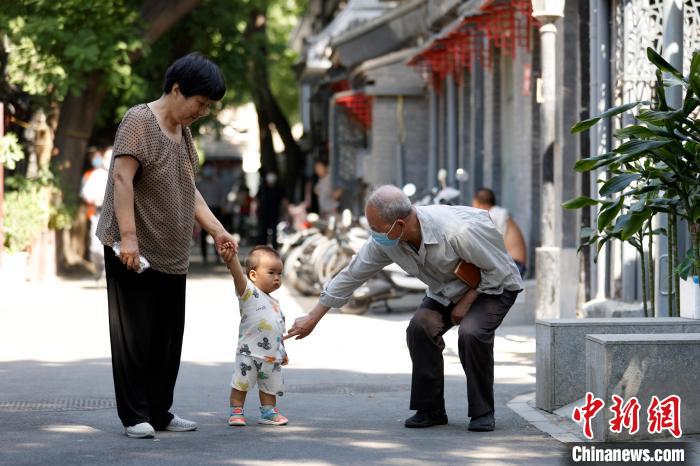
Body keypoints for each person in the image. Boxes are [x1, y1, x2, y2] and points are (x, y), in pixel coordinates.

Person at [285, 185, 523, 432]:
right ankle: (430, 410)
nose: (373, 234)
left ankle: (483, 413)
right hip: (448, 288)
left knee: (472, 333)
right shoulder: (386, 240)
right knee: (420, 328)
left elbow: (495, 271)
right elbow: (351, 275)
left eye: (376, 228)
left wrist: (466, 302)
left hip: (494, 285)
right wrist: (313, 317)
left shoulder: (456, 230)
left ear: (399, 225)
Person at [96, 53, 237, 439]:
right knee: (134, 335)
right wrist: (128, 238)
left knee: (167, 335)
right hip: (135, 249)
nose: (203, 111)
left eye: (208, 105)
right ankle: (135, 415)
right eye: (201, 102)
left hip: (173, 250)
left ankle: (160, 411)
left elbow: (187, 188)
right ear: (177, 90)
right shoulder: (139, 121)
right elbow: (123, 180)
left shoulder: (183, 131)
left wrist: (217, 230)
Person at [220, 245, 289, 427]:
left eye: (279, 273)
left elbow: (277, 331)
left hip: (271, 355)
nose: (277, 278)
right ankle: (236, 411)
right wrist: (232, 258)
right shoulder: (249, 293)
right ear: (253, 275)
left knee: (269, 386)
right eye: (271, 272)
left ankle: (268, 411)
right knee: (241, 383)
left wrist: (283, 351)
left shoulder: (275, 303)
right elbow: (237, 275)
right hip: (248, 352)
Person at [472, 188, 528, 277]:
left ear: (479, 203)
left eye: (473, 205)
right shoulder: (498, 213)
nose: (473, 209)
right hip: (515, 264)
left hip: (514, 266)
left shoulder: (493, 215)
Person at [81, 147, 111, 282]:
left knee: (112, 247)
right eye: (106, 158)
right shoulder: (95, 174)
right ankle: (100, 270)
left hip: (116, 216)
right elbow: (86, 193)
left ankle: (107, 274)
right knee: (95, 247)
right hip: (98, 213)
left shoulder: (122, 172)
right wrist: (94, 199)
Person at [196, 162, 226, 263]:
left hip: (216, 210)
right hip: (203, 211)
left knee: (217, 233)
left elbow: (222, 196)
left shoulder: (219, 182)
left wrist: (222, 207)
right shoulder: (199, 183)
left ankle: (218, 255)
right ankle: (204, 256)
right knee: (203, 235)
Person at [256, 171, 286, 249]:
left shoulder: (279, 188)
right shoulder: (262, 188)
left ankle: (274, 247)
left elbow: (283, 200)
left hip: (274, 213)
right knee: (263, 231)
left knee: (274, 231)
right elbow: (257, 200)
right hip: (263, 213)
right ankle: (263, 247)